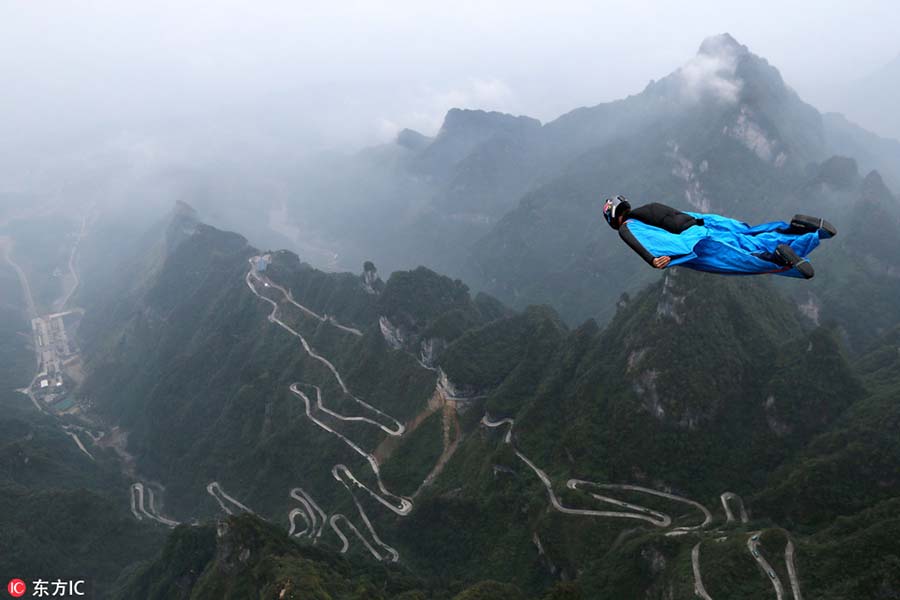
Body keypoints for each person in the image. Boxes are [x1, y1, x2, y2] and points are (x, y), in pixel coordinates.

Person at [602, 195, 836, 279]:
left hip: (696, 241)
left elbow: (631, 238)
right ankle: (800, 230)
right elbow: (683, 215)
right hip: (704, 225)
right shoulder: (649, 208)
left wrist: (651, 259)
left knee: (741, 261)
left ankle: (779, 259)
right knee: (751, 237)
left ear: (613, 218)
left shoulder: (629, 226)